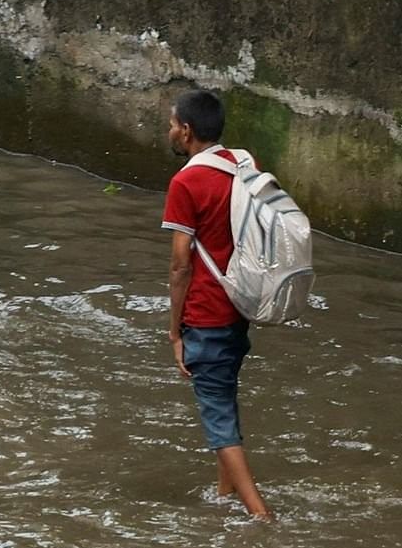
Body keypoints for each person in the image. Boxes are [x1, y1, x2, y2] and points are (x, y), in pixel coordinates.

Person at [163, 87, 275, 521]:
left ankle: (260, 516)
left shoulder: (186, 181)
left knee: (217, 419)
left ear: (187, 131)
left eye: (173, 124)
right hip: (240, 305)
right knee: (225, 396)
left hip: (206, 313)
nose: (171, 131)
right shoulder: (244, 164)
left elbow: (179, 265)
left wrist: (175, 331)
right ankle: (224, 496)